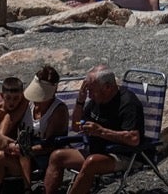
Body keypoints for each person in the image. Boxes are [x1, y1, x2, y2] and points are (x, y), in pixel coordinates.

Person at [43, 66, 143, 194]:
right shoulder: (97, 100)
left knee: (91, 163)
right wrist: (80, 101)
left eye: (92, 91)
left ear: (107, 87)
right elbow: (76, 125)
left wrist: (101, 132)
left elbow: (134, 139)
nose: (90, 95)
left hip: (123, 155)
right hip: (96, 150)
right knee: (57, 156)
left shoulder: (127, 102)